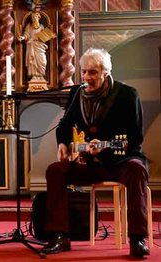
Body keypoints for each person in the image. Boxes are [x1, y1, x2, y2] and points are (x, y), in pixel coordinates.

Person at [42, 48, 149, 258]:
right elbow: (64, 125)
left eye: (92, 73)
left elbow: (135, 138)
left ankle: (137, 238)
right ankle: (60, 236)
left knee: (137, 168)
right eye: (84, 72)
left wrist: (106, 146)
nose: (86, 78)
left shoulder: (128, 95)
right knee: (55, 170)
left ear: (105, 73)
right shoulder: (76, 93)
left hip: (120, 162)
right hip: (88, 164)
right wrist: (62, 143)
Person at [18, 12, 53, 82]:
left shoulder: (41, 26)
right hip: (31, 46)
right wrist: (22, 37)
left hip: (40, 47)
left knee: (43, 61)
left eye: (35, 17)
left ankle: (41, 75)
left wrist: (50, 36)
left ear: (38, 18)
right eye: (33, 17)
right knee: (32, 62)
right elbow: (26, 34)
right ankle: (34, 76)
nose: (34, 19)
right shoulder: (29, 26)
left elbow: (44, 36)